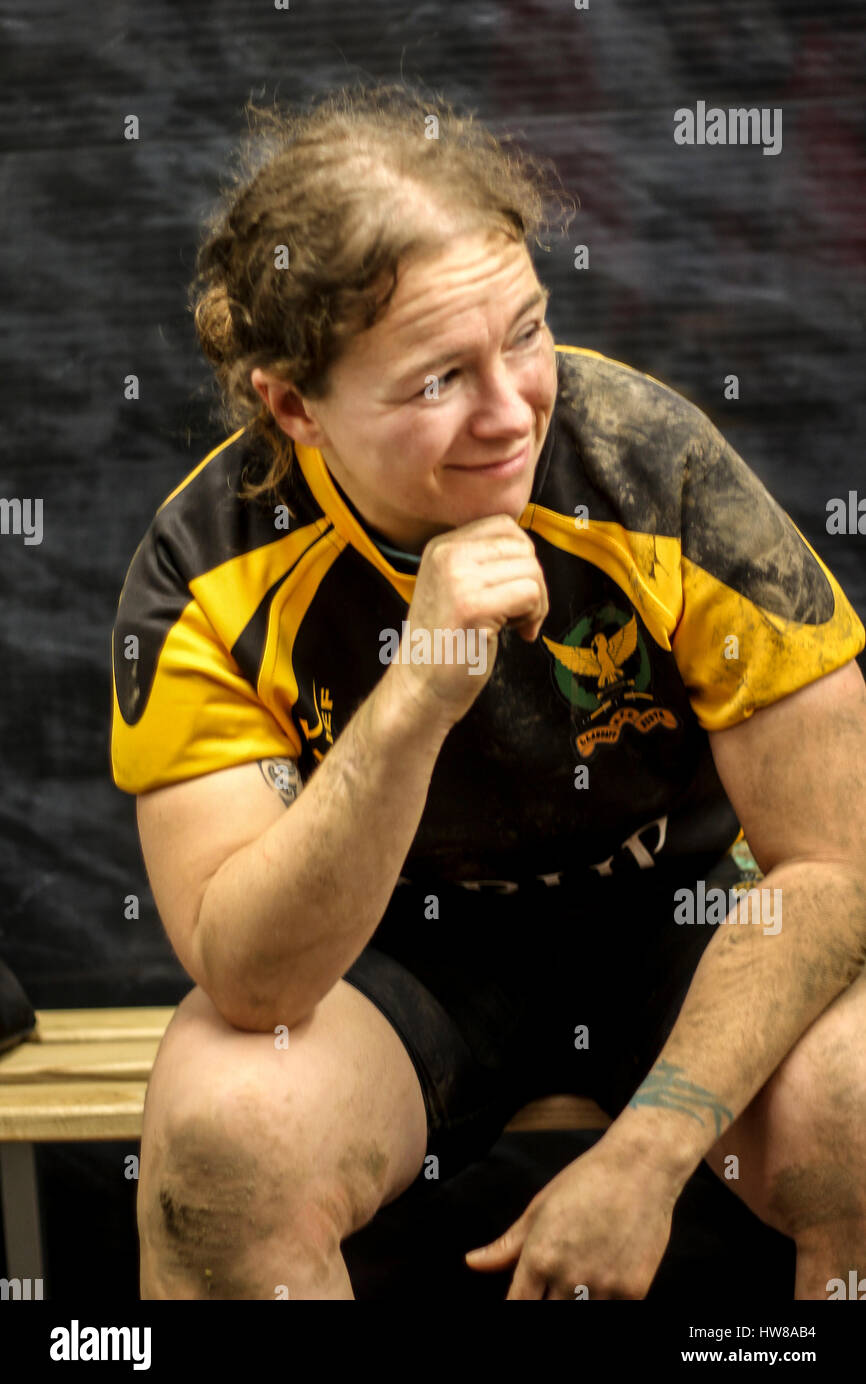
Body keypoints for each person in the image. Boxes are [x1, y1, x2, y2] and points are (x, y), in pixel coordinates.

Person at [110, 83, 866, 1300]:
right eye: (436, 381)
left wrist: (647, 1150)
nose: (510, 412)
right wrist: (414, 694)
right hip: (401, 956)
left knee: (863, 1106)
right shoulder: (208, 564)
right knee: (215, 1152)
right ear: (294, 404)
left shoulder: (651, 469)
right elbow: (250, 976)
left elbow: (836, 865)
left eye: (525, 333)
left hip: (684, 924)